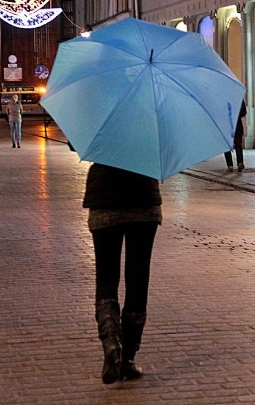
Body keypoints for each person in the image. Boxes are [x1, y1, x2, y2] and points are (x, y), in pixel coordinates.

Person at [83, 163, 162, 384]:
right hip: (144, 198)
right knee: (138, 278)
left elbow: (75, 144)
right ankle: (127, 358)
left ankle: (112, 344)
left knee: (106, 278)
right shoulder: (151, 127)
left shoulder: (97, 126)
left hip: (103, 197)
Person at [224, 100, 247, 172]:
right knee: (238, 144)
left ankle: (230, 165)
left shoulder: (221, 97)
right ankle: (240, 162)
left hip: (226, 124)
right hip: (237, 124)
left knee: (227, 146)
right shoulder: (238, 96)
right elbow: (243, 112)